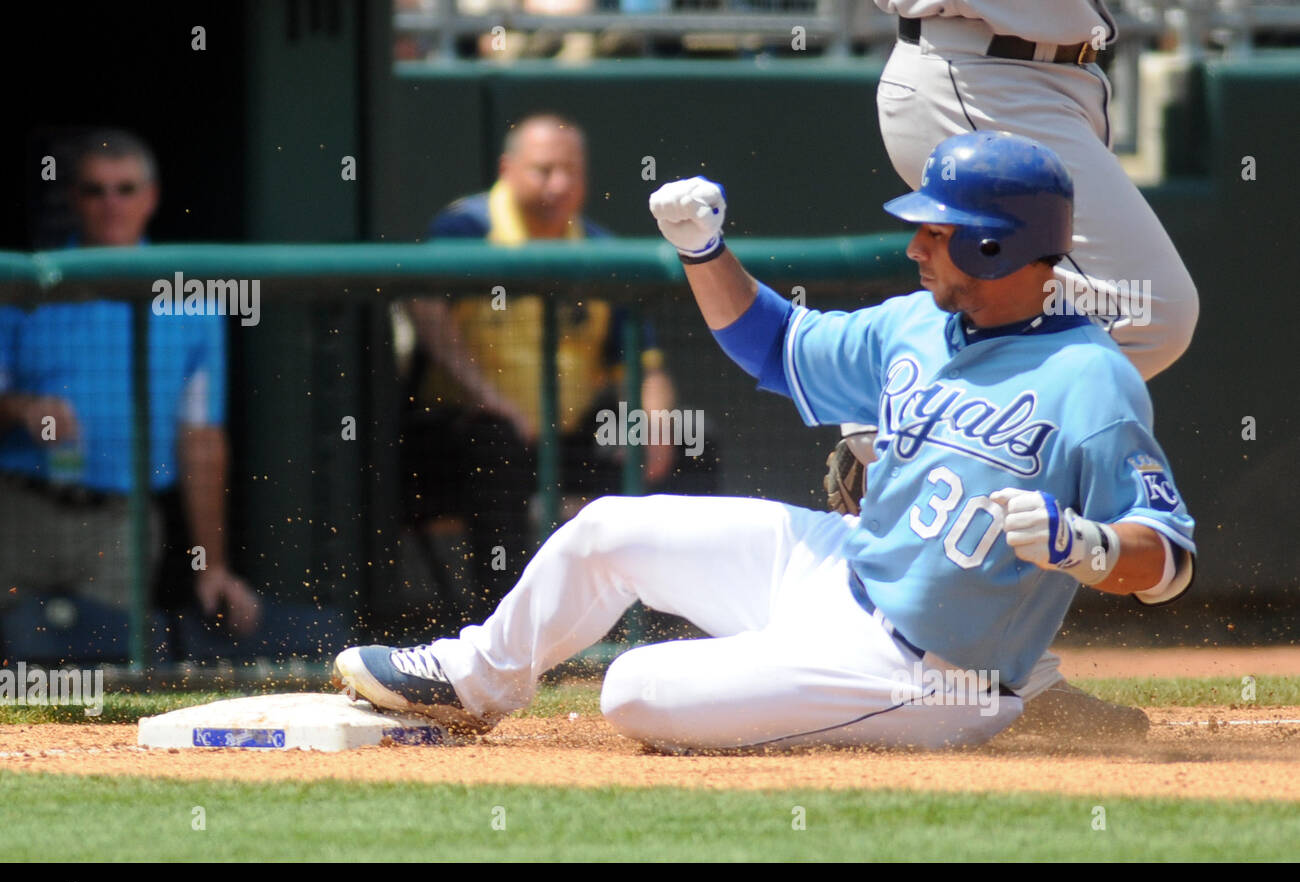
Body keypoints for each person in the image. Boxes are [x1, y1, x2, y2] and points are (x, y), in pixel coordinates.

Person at [332, 132, 1194, 751]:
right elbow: (772, 343)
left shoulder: (1093, 380)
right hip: (842, 566)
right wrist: (705, 252)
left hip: (928, 672)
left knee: (634, 688)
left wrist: (1089, 545)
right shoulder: (913, 324)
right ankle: (471, 678)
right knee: (605, 532)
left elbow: (1168, 561)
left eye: (936, 230)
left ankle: (935, 705)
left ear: (993, 242)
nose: (914, 244)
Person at [821, 2, 1202, 733]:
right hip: (981, 71)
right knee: (1154, 311)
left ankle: (899, 434)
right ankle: (893, 433)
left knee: (1072, 311)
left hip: (1043, 77)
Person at [401, 113, 698, 612]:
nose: (558, 185)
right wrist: (491, 399)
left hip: (568, 438)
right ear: (507, 168)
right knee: (492, 442)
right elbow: (423, 306)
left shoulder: (601, 249)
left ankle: (670, 618)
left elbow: (644, 367)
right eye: (543, 170)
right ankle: (508, 627)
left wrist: (654, 421)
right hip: (463, 438)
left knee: (691, 443)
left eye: (571, 172)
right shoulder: (466, 228)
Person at [0, 129, 260, 645]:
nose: (111, 204)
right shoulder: (26, 286)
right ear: (73, 198)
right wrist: (22, 407)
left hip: (121, 523)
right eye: (95, 190)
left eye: (125, 188)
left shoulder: (190, 299)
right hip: (18, 510)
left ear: (152, 196)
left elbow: (201, 439)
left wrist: (212, 565)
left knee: (107, 674)